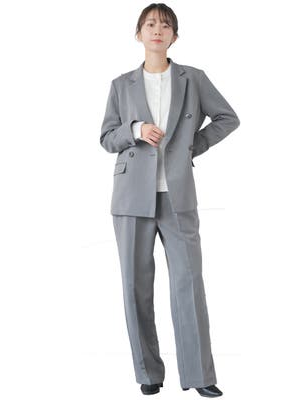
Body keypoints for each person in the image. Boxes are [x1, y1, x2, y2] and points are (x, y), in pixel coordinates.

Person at [100, 3, 240, 397]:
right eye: (150, 24)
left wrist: (192, 146)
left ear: (174, 36)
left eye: (165, 25)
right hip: (131, 198)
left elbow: (227, 118)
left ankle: (199, 375)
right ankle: (148, 373)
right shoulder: (121, 85)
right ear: (138, 34)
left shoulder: (193, 79)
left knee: (188, 283)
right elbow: (107, 137)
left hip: (178, 196)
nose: (157, 30)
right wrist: (135, 129)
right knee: (135, 286)